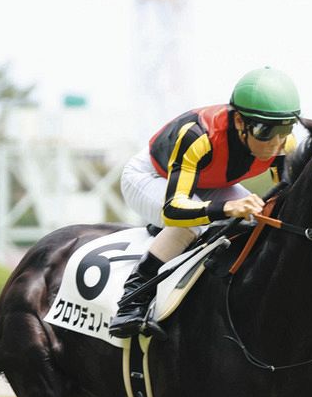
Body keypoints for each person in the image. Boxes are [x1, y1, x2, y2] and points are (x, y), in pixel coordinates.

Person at [108, 67, 300, 338]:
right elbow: (174, 209)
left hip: (209, 183)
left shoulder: (283, 145)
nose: (276, 143)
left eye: (285, 129)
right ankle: (132, 301)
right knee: (191, 225)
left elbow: (284, 207)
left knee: (260, 219)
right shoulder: (198, 136)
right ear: (239, 122)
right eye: (265, 130)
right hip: (150, 177)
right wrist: (227, 208)